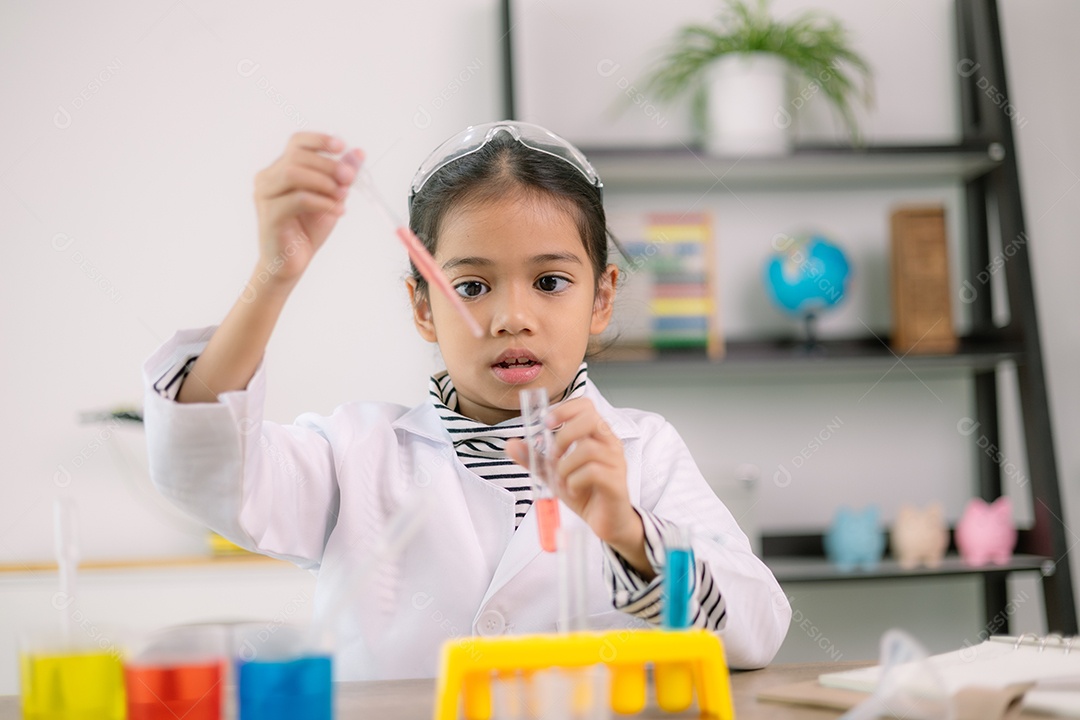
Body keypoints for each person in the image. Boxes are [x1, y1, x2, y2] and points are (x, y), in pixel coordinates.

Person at [142, 121, 791, 679]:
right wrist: (274, 276)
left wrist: (629, 533)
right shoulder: (356, 454)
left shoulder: (645, 455)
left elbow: (758, 630)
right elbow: (205, 473)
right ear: (423, 307)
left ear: (601, 297)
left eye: (550, 281)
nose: (512, 317)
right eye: (472, 287)